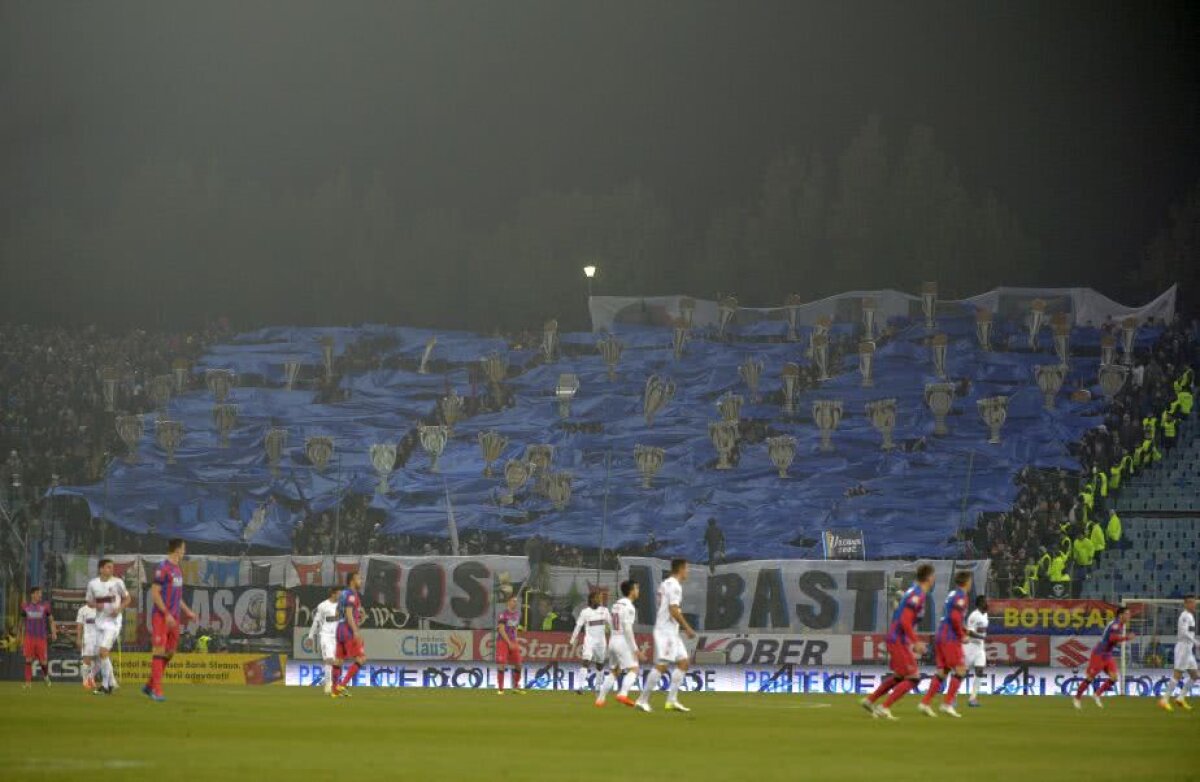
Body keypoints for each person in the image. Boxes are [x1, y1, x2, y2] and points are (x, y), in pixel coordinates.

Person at [861, 563, 934, 721]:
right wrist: (916, 642)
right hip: (899, 639)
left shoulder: (912, 592)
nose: (933, 579)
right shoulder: (917, 594)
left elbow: (901, 614)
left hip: (896, 637)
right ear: (929, 578)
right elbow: (905, 621)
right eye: (932, 576)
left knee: (900, 676)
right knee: (914, 677)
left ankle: (870, 700)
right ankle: (884, 707)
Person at [635, 558, 697, 713]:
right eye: (687, 568)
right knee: (662, 665)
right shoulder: (675, 586)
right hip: (666, 631)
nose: (688, 572)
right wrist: (687, 628)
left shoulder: (665, 583)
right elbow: (673, 609)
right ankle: (642, 700)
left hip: (670, 631)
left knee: (684, 663)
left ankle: (671, 700)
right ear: (681, 569)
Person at [142, 538, 198, 702]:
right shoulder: (163, 567)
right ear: (177, 550)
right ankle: (156, 691)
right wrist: (166, 614)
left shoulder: (177, 569)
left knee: (170, 653)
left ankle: (150, 684)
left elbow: (177, 596)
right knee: (159, 651)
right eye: (183, 549)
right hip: (161, 617)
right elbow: (155, 593)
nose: (184, 552)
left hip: (174, 618)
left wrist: (187, 611)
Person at [919, 571, 971, 718]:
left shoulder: (952, 594)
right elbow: (955, 618)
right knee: (961, 669)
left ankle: (925, 702)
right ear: (967, 582)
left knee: (942, 672)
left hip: (940, 635)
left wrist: (964, 628)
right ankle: (947, 704)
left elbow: (951, 617)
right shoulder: (961, 596)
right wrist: (962, 635)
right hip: (950, 638)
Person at [86, 558, 131, 695]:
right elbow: (88, 601)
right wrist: (95, 605)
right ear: (101, 569)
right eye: (108, 567)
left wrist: (120, 609)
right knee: (102, 655)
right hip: (99, 622)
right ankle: (112, 683)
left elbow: (127, 598)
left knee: (103, 651)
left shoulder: (118, 582)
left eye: (112, 567)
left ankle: (106, 686)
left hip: (114, 622)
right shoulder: (93, 584)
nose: (111, 569)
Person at [1073, 605, 1132, 710]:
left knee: (1114, 678)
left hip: (1107, 655)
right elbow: (1112, 638)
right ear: (1121, 615)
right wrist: (1127, 637)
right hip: (1099, 654)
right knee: (1090, 678)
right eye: (1127, 614)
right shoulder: (1116, 624)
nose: (1129, 616)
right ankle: (1077, 698)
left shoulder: (1120, 624)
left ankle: (1096, 695)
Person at [597, 580, 644, 708]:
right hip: (623, 641)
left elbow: (612, 623)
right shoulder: (629, 607)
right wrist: (635, 649)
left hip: (613, 640)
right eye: (636, 588)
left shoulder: (616, 605)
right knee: (634, 669)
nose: (638, 591)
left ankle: (600, 699)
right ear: (631, 591)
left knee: (614, 671)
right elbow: (627, 629)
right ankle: (623, 693)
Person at [568, 591, 612, 694]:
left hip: (601, 641)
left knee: (600, 664)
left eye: (600, 598)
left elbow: (611, 624)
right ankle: (580, 687)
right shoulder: (585, 612)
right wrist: (572, 640)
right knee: (586, 661)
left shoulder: (605, 611)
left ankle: (597, 686)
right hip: (589, 641)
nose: (600, 600)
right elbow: (578, 626)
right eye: (597, 598)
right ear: (592, 599)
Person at [1158, 595, 1197, 712]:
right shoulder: (1185, 616)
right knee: (1177, 674)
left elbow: (1189, 632)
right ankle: (1164, 700)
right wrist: (1196, 642)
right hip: (1183, 647)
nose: (1193, 605)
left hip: (1188, 649)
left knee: (1195, 676)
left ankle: (1180, 698)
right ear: (1185, 604)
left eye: (1194, 603)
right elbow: (1184, 632)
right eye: (1191, 603)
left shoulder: (1190, 616)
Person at [332, 572, 366, 697]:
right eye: (358, 578)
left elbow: (337, 613)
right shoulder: (351, 594)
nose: (360, 581)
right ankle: (342, 685)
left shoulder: (342, 594)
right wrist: (355, 630)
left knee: (339, 660)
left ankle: (334, 691)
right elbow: (349, 613)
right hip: (347, 629)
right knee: (361, 658)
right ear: (352, 581)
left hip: (339, 628)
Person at [307, 586, 342, 695]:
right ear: (333, 594)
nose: (341, 596)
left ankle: (335, 684)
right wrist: (310, 636)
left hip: (337, 637)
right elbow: (316, 621)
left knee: (337, 661)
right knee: (329, 659)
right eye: (339, 593)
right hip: (326, 636)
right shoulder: (323, 606)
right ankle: (328, 684)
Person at [21, 586, 57, 688]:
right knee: (28, 660)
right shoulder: (25, 606)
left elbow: (51, 620)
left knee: (43, 662)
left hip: (41, 638)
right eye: (37, 593)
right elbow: (22, 622)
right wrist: (20, 634)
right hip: (29, 637)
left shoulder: (45, 606)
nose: (40, 595)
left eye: (40, 593)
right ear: (32, 594)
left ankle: (46, 676)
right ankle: (28, 683)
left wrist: (54, 632)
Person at [495, 595, 524, 695]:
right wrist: (509, 642)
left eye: (516, 601)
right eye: (513, 601)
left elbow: (514, 628)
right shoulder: (503, 614)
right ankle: (500, 689)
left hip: (512, 641)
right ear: (508, 602)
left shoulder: (517, 614)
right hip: (503, 641)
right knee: (502, 663)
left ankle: (515, 686)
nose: (515, 603)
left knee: (519, 664)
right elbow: (501, 630)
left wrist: (515, 639)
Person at [964, 596, 989, 707]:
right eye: (985, 602)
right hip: (970, 646)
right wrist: (982, 637)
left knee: (980, 671)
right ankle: (952, 697)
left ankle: (973, 698)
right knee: (962, 673)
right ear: (980, 604)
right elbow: (969, 632)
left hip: (980, 648)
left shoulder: (985, 615)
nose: (987, 604)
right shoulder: (974, 616)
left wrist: (982, 638)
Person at [75, 602, 98, 691]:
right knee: (87, 660)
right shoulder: (83, 610)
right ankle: (85, 681)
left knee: (99, 660)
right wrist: (78, 638)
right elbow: (79, 625)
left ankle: (91, 678)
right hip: (88, 639)